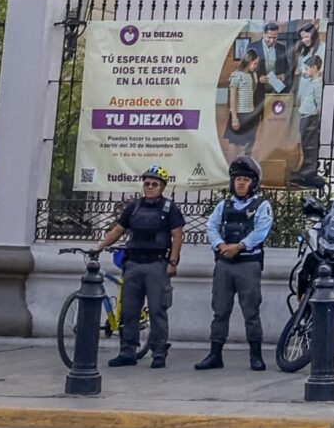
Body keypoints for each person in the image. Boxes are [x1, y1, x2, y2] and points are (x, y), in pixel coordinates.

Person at [97, 165, 185, 368]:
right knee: (129, 311)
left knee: (157, 311)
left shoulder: (169, 208)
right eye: (147, 184)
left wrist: (173, 261)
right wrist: (100, 246)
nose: (150, 187)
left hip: (156, 265)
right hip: (133, 265)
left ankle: (159, 353)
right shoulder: (134, 207)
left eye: (155, 184)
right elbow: (118, 230)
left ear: (162, 187)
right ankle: (127, 351)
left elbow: (177, 236)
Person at [195, 157, 272, 369]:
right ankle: (215, 355)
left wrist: (239, 246)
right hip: (224, 264)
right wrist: (220, 245)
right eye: (238, 178)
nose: (240, 183)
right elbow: (211, 227)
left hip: (248, 264)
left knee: (251, 312)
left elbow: (261, 232)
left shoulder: (261, 206)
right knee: (220, 310)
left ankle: (256, 356)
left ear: (253, 183)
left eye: (246, 179)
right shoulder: (224, 205)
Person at [295, 57, 325, 185]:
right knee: (303, 144)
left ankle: (307, 174)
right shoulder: (313, 81)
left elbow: (319, 103)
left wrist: (317, 120)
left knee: (308, 145)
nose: (305, 71)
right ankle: (301, 172)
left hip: (310, 117)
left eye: (307, 68)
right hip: (305, 115)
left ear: (314, 68)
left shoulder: (318, 83)